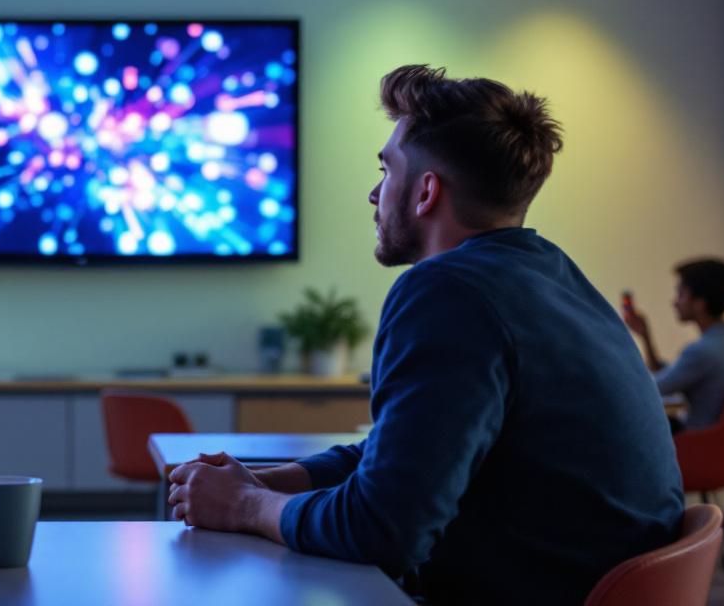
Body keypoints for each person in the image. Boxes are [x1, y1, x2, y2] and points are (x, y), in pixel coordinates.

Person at [167, 65, 683, 605]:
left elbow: (383, 530)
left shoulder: (446, 291)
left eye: (386, 169)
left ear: (426, 192)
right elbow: (405, 453)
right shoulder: (549, 273)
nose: (374, 192)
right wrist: (268, 483)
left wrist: (242, 508)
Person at [624, 258, 724, 430]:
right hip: (721, 444)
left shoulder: (702, 352)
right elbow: (671, 376)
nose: (674, 302)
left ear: (700, 304)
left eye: (681, 293)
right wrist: (645, 337)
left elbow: (650, 389)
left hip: (694, 443)